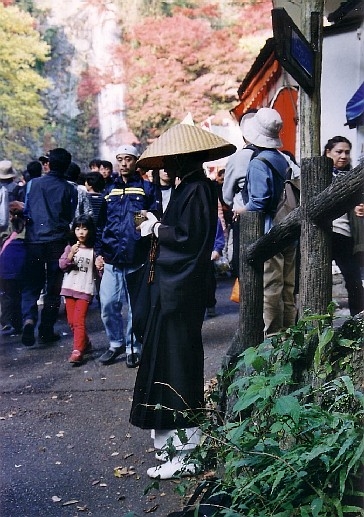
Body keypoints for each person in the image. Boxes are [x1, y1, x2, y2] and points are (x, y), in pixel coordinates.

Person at [129, 122, 236, 479]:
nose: (164, 167)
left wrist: (156, 228)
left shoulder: (198, 189)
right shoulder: (190, 188)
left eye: (168, 161)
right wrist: (159, 225)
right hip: (174, 289)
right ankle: (172, 449)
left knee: (177, 364)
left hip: (180, 291)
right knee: (169, 361)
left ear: (180, 158)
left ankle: (185, 452)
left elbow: (189, 239)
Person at [95, 144, 159, 367]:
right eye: (120, 159)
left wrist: (142, 227)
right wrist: (98, 253)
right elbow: (100, 223)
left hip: (136, 257)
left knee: (134, 306)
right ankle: (115, 343)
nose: (123, 163)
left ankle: (134, 346)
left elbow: (152, 222)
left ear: (136, 161)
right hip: (112, 257)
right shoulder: (108, 189)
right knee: (108, 303)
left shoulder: (146, 189)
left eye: (128, 159)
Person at [235, 107, 297, 336]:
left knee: (271, 286)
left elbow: (259, 202)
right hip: (290, 227)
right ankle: (291, 333)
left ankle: (273, 337)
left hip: (271, 229)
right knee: (288, 287)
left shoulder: (259, 162)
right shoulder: (282, 159)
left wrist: (242, 209)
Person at [21, 148, 78, 346]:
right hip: (57, 242)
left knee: (31, 284)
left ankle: (28, 319)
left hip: (34, 241)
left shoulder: (32, 184)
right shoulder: (70, 188)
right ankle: (46, 329)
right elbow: (71, 216)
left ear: (49, 164)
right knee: (54, 288)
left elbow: (26, 210)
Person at [324, 136, 364, 316]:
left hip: (346, 235)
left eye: (347, 152)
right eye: (338, 151)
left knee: (353, 279)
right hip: (323, 233)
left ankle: (358, 322)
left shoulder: (354, 176)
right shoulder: (320, 174)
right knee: (319, 281)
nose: (343, 156)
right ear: (328, 153)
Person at [59, 215, 97, 365]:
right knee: (71, 321)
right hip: (69, 288)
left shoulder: (93, 250)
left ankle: (77, 350)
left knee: (78, 321)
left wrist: (100, 266)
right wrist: (70, 255)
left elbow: (98, 272)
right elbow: (62, 265)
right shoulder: (70, 247)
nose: (81, 232)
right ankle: (85, 342)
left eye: (85, 228)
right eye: (78, 228)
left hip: (85, 289)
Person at [0, 201, 26, 335]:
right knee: (18, 294)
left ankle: (6, 322)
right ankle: (18, 323)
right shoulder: (26, 228)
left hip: (5, 265)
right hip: (21, 264)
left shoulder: (5, 228)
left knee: (6, 295)